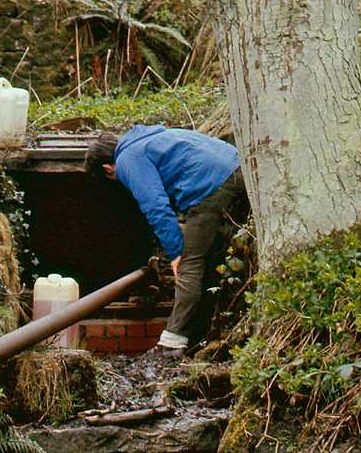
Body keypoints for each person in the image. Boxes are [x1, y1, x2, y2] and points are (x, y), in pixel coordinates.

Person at [85, 125, 247, 357]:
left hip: (209, 188)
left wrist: (175, 252)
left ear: (108, 167)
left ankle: (172, 343)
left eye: (112, 177)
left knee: (189, 264)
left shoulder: (128, 158)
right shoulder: (154, 137)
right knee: (214, 258)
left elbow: (155, 206)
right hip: (238, 169)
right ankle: (204, 334)